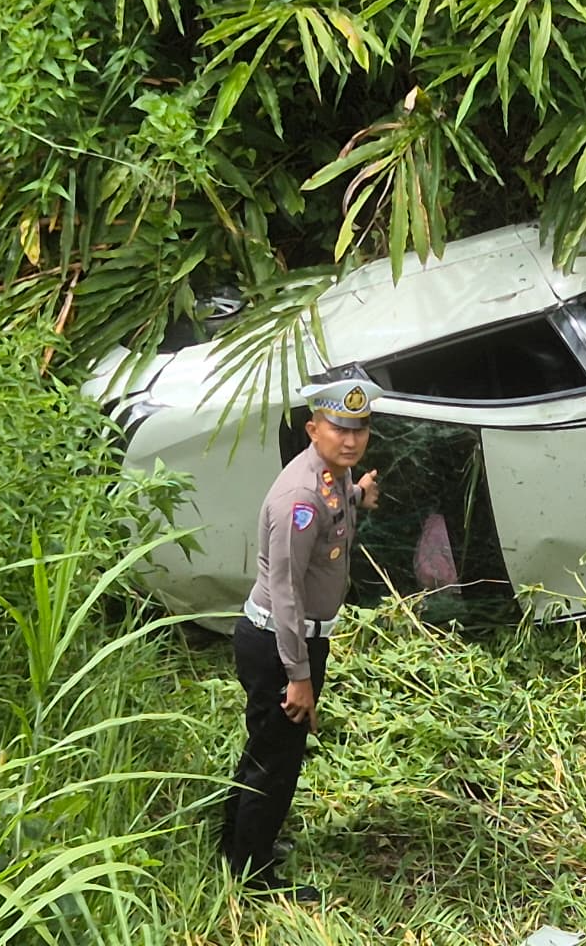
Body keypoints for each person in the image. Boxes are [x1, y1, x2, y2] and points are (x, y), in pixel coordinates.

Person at [221, 377, 382, 901]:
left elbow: (335, 512)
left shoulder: (334, 475)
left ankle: (239, 847)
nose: (351, 440)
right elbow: (287, 592)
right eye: (338, 428)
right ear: (314, 429)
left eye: (359, 430)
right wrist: (299, 676)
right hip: (280, 643)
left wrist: (358, 496)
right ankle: (254, 879)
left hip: (292, 639)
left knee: (269, 747)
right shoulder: (300, 497)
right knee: (278, 759)